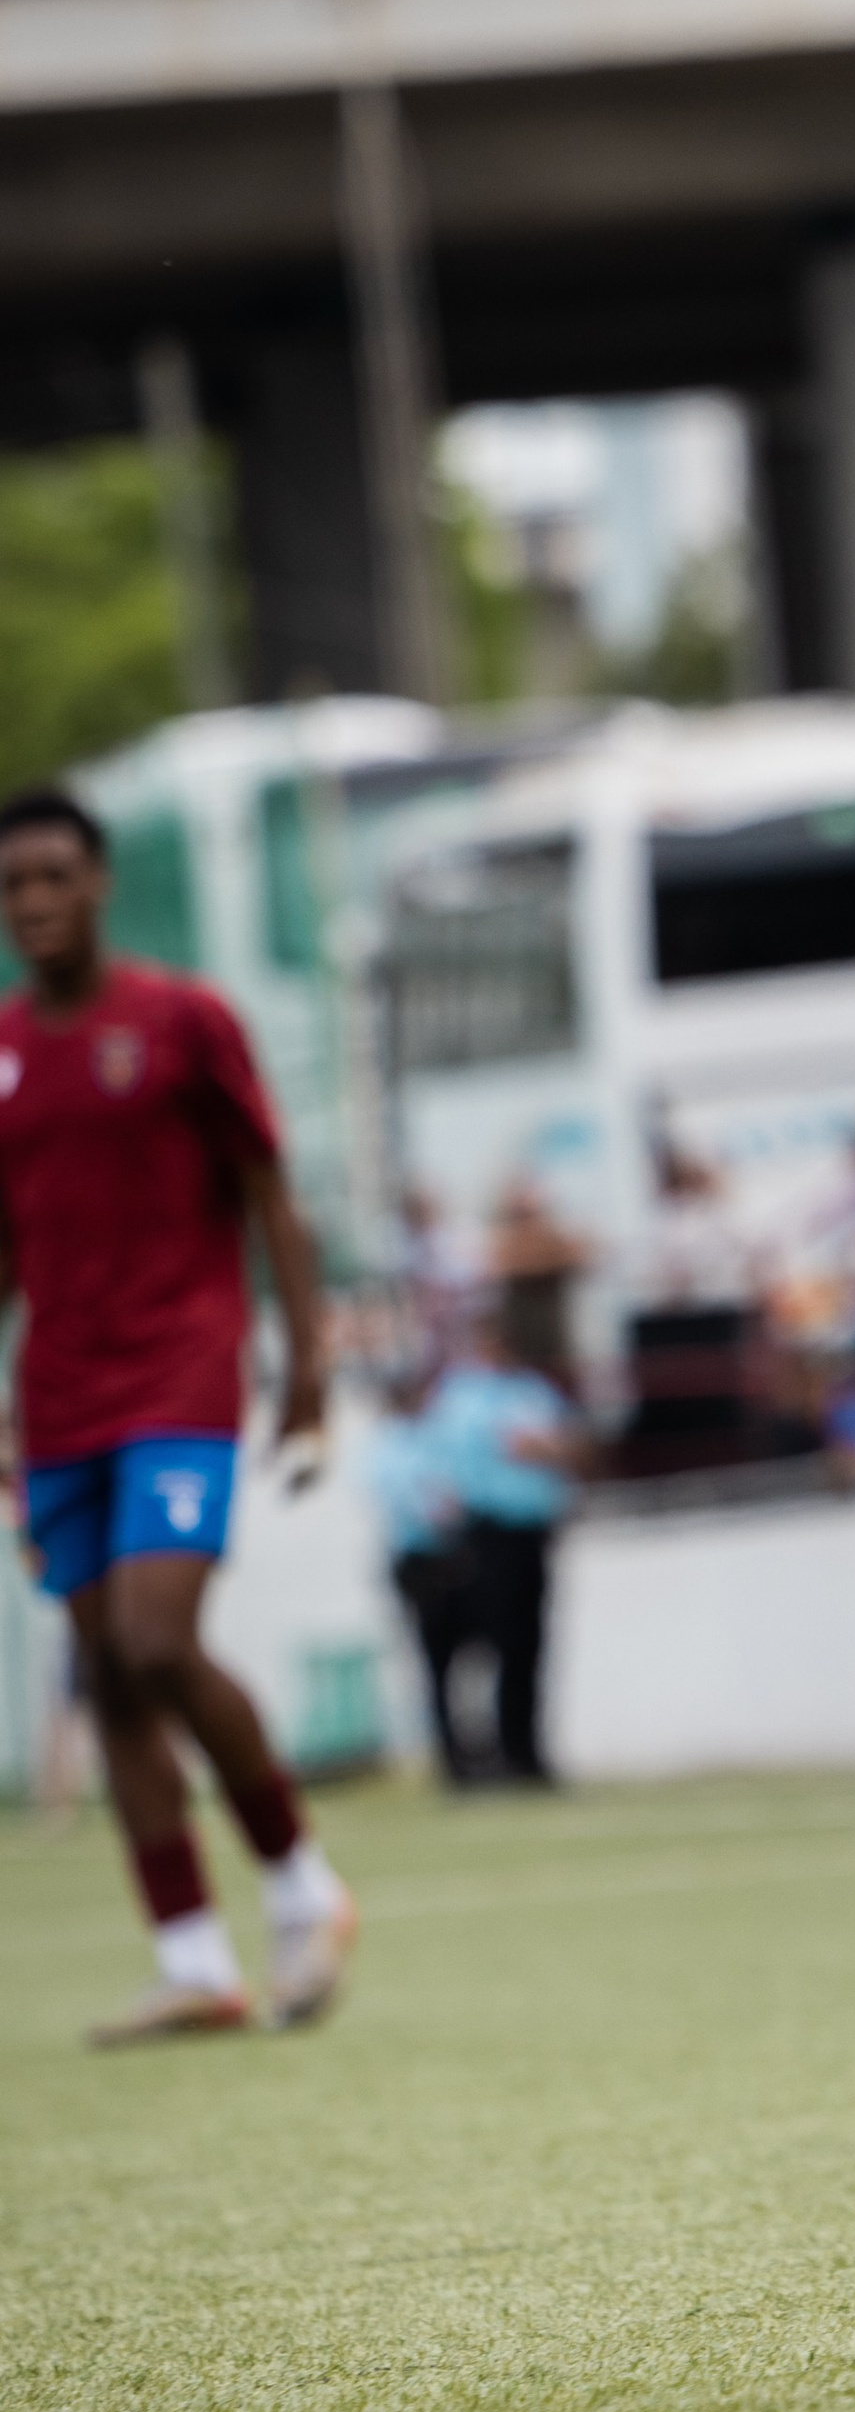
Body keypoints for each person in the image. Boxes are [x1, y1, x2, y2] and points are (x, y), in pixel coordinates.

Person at [0, 785, 357, 2039]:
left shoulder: (184, 1020)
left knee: (157, 1639)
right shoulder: (2, 1052)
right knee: (104, 1675)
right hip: (58, 1400)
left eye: (55, 877)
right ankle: (196, 1961)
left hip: (183, 1374)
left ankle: (305, 1888)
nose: (36, 903)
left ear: (99, 883)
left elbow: (271, 1195)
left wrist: (307, 1362)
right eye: (14, 887)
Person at [421, 1285, 584, 1785]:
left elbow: (571, 1447)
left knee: (527, 1644)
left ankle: (525, 1753)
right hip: (481, 1535)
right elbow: (445, 1467)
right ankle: (476, 1756)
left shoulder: (534, 1391)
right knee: (477, 1647)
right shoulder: (458, 1397)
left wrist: (548, 1450)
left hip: (531, 1533)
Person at [365, 1367, 472, 1782]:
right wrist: (437, 1509)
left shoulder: (436, 1436)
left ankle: (475, 1746)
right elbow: (402, 1495)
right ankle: (450, 1755)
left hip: (453, 1553)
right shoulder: (388, 1445)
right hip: (418, 1560)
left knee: (467, 1655)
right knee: (435, 1659)